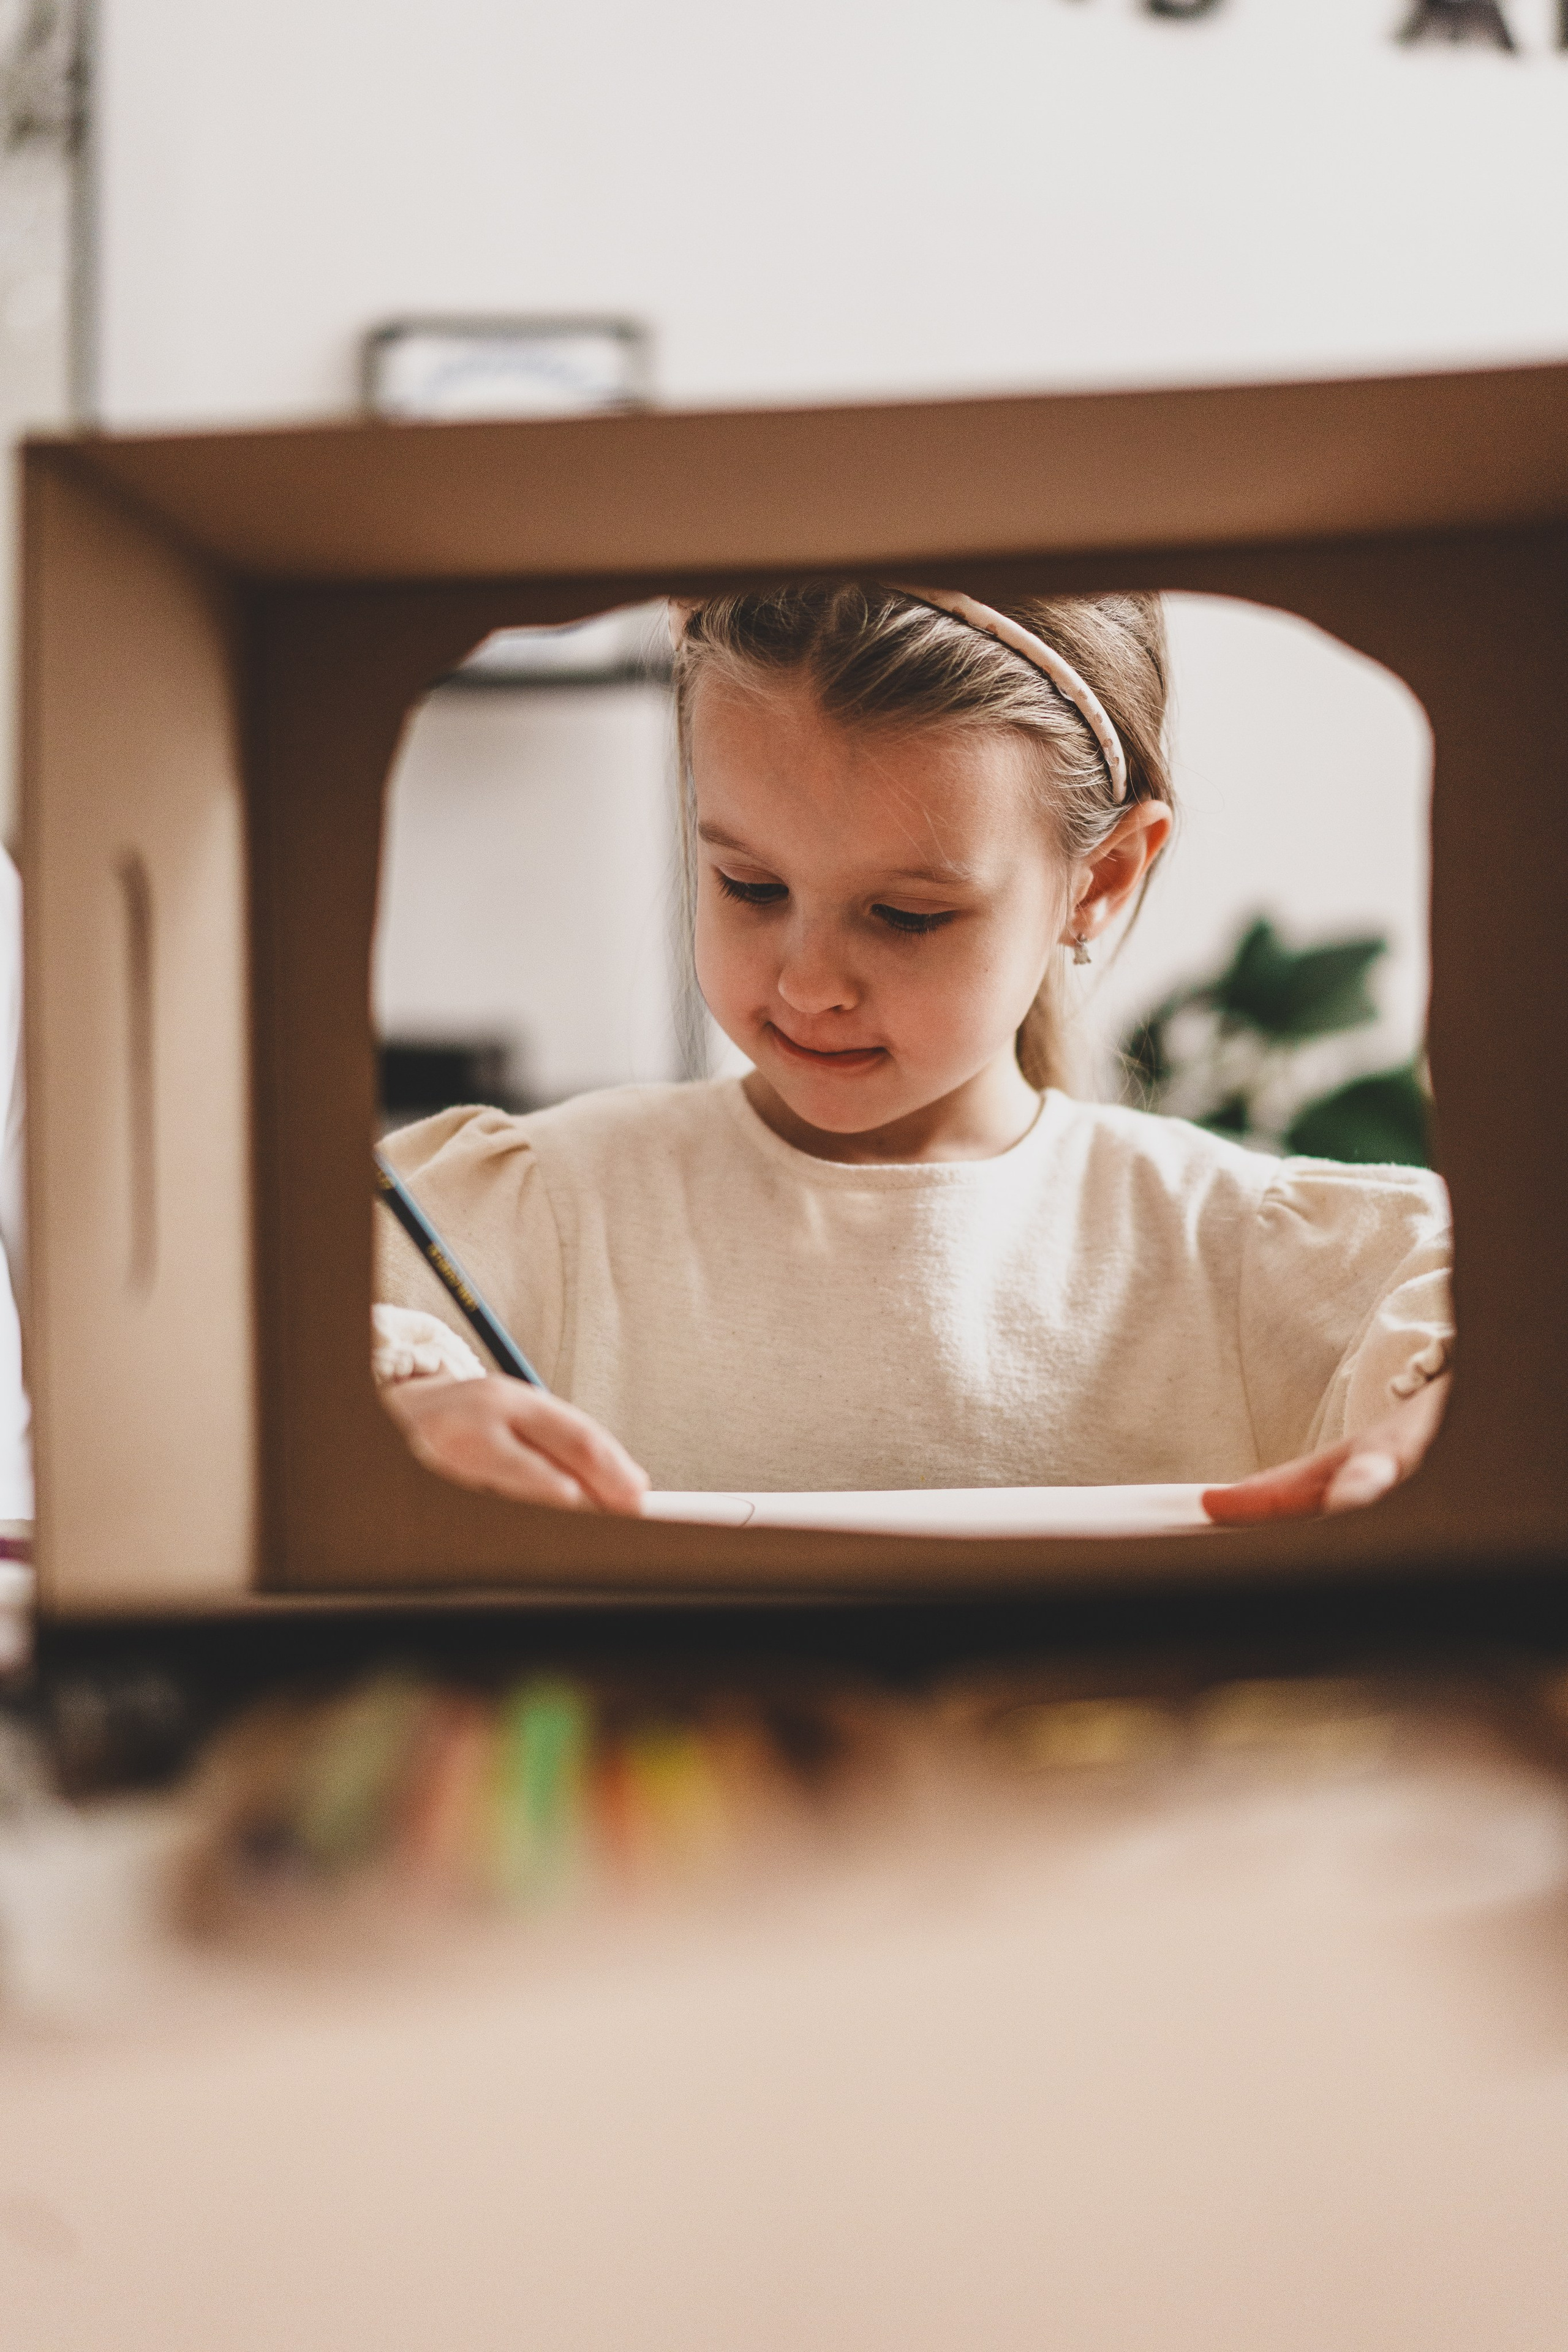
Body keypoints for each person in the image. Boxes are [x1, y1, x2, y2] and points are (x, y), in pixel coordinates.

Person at [371, 586, 1451, 1527]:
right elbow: (300, 1351)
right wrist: (405, 1405)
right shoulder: (538, 1218)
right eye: (751, 887)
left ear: (1103, 878)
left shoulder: (1246, 1262)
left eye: (907, 915)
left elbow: (1483, 1331)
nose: (809, 986)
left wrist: (1450, 1413)